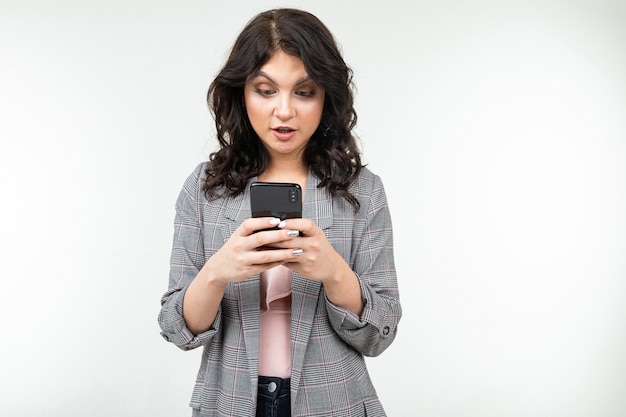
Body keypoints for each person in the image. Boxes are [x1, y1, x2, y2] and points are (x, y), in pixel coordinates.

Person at [158, 8, 402, 417]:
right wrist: (218, 271)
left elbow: (381, 335)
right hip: (229, 403)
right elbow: (177, 329)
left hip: (335, 404)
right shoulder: (204, 189)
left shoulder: (362, 191)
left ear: (327, 97)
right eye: (266, 90)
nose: (284, 111)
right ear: (241, 92)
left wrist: (334, 272)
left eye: (304, 91)